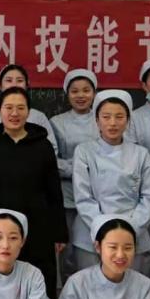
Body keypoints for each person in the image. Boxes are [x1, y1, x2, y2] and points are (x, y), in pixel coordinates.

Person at [0, 86, 68, 299]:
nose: (14, 113)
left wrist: (59, 232)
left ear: (28, 112)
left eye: (20, 108)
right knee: (1, 286)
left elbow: (54, 191)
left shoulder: (43, 146)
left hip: (38, 227)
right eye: (9, 108)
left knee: (38, 284)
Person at [72, 89, 150, 276]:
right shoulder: (84, 151)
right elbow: (83, 198)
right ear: (97, 120)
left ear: (128, 120)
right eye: (106, 117)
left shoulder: (140, 154)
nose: (112, 123)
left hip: (134, 234)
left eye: (119, 117)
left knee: (134, 287)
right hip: (91, 236)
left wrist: (129, 229)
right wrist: (104, 230)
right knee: (91, 287)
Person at [51, 68, 99, 282]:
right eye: (75, 91)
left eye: (86, 90)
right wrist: (82, 168)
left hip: (101, 195)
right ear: (67, 94)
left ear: (94, 93)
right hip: (69, 197)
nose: (81, 95)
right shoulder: (57, 122)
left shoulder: (104, 118)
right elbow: (52, 160)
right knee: (68, 252)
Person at [0, 63, 58, 155]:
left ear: (27, 85)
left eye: (19, 80)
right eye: (9, 80)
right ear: (0, 86)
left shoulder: (38, 117)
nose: (14, 85)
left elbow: (51, 149)